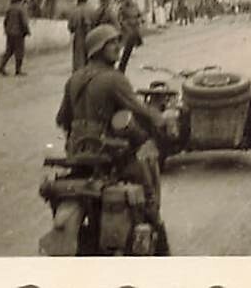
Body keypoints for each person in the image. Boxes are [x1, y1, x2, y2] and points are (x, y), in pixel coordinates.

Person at [54, 24, 170, 255]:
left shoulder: (74, 79)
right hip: (109, 155)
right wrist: (161, 121)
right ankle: (161, 250)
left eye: (118, 41)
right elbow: (140, 111)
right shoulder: (114, 79)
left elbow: (62, 118)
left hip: (77, 155)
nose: (118, 46)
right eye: (112, 43)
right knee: (147, 193)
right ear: (98, 49)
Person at [0, 0, 32, 76]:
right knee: (19, 52)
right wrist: (27, 31)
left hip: (10, 33)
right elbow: (24, 22)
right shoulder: (21, 9)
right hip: (19, 33)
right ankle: (18, 70)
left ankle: (1, 67)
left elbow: (5, 21)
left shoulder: (9, 8)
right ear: (20, 0)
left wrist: (6, 30)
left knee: (9, 51)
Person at [67, 0, 94, 72]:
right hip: (90, 36)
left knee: (78, 57)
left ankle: (78, 74)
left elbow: (70, 27)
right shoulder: (91, 10)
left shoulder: (74, 11)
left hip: (78, 36)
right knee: (89, 55)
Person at [117, 0, 144, 74]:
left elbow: (140, 14)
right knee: (126, 39)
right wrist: (123, 23)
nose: (129, 0)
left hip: (135, 24)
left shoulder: (135, 6)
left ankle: (133, 50)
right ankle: (124, 52)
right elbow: (119, 17)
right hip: (127, 25)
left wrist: (139, 20)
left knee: (135, 38)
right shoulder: (123, 7)